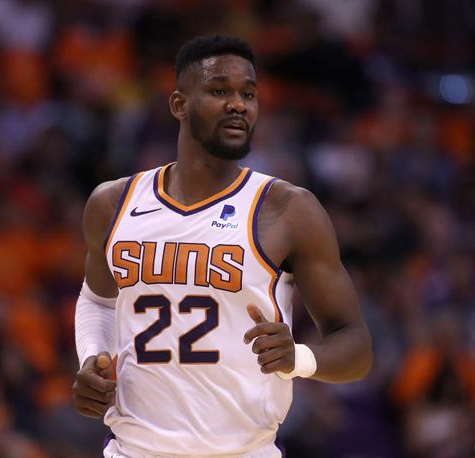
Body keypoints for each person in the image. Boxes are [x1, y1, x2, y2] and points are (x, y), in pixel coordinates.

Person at [72, 34, 373, 458]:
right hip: (133, 449)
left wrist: (298, 358)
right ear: (179, 105)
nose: (239, 104)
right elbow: (97, 302)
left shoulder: (287, 209)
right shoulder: (113, 203)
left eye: (248, 94)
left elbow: (356, 346)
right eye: (219, 91)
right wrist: (93, 359)